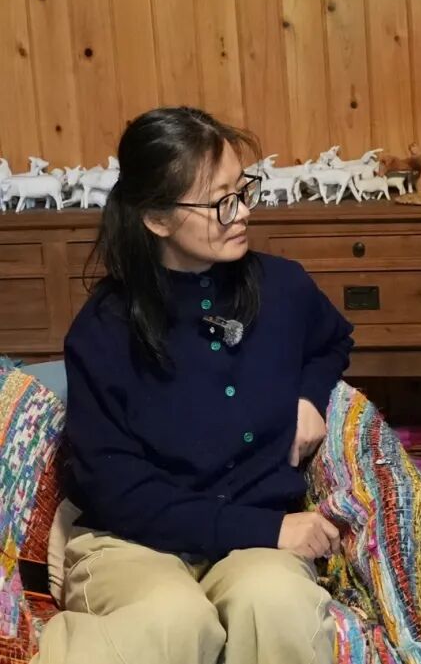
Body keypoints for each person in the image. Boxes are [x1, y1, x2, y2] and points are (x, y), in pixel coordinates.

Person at [34, 107, 354, 664]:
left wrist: (310, 395)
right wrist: (268, 528)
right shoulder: (103, 328)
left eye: (243, 190)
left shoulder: (283, 286)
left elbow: (333, 341)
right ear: (157, 219)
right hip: (132, 543)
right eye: (220, 201)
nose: (242, 212)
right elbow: (117, 491)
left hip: (258, 538)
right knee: (174, 619)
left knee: (277, 603)